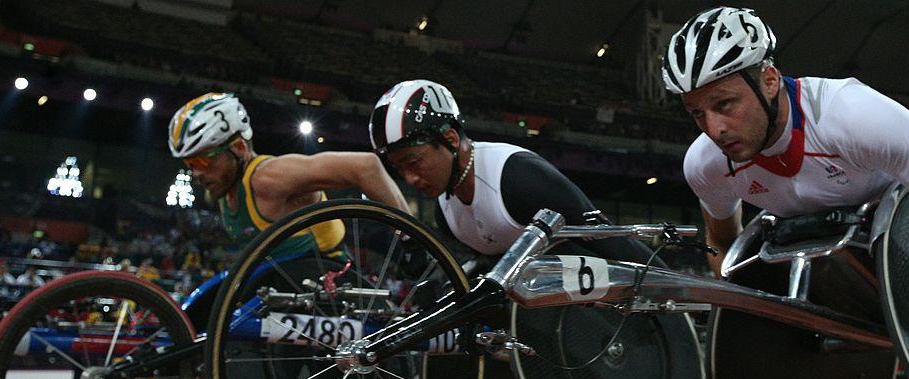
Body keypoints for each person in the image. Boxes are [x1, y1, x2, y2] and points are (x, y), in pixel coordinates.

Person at [662, 7, 909, 379]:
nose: (714, 129)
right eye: (697, 114)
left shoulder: (852, 116)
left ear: (769, 81)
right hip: (826, 262)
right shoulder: (705, 164)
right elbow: (724, 244)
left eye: (724, 104)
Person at [368, 80, 659, 267]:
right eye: (399, 169)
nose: (409, 179)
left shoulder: (518, 176)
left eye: (413, 162)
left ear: (451, 140)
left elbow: (612, 241)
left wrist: (690, 298)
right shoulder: (446, 213)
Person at [168, 92, 410, 256]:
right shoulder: (224, 189)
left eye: (203, 160)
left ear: (239, 148)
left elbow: (366, 166)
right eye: (190, 163)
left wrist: (413, 241)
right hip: (285, 293)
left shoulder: (268, 177)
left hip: (332, 290)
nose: (196, 172)